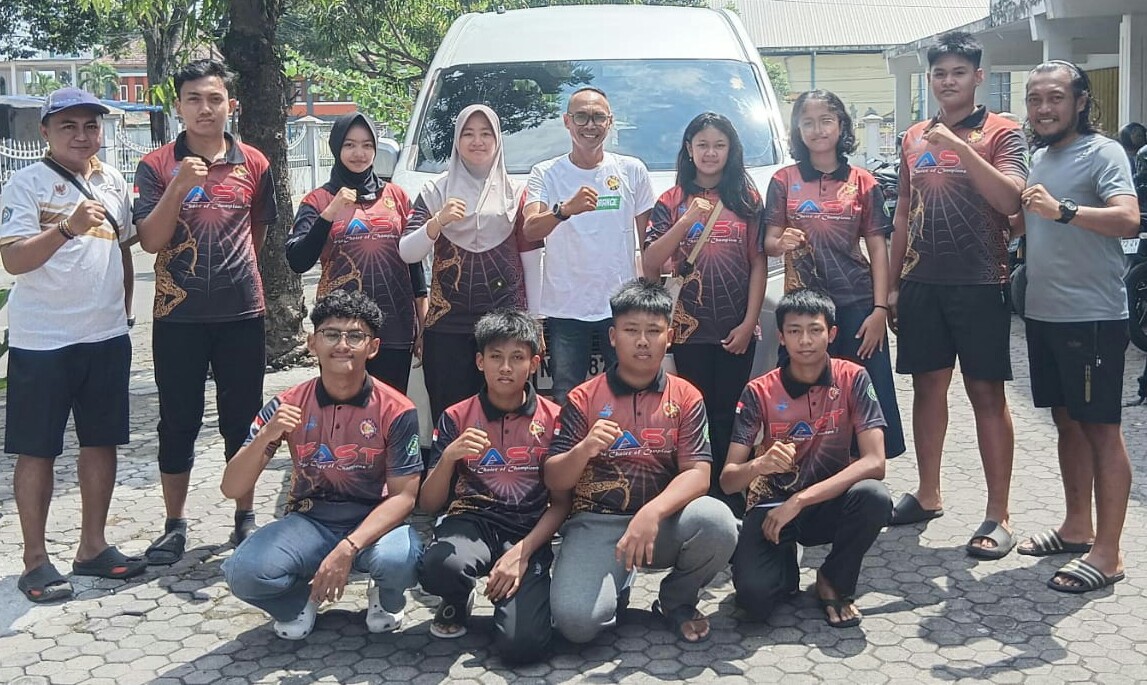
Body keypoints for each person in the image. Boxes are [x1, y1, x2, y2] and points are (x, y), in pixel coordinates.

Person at [886, 32, 1028, 562]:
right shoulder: (912, 136)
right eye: (940, 73)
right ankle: (928, 493)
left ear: (978, 77)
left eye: (959, 72)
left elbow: (1010, 200)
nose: (949, 81)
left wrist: (961, 147)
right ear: (930, 79)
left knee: (986, 394)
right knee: (927, 389)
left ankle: (999, 514)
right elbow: (902, 212)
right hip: (923, 283)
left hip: (982, 282)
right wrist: (893, 285)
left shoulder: (1003, 132)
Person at [1, 88, 145, 602]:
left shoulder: (112, 181)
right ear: (45, 132)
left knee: (101, 441)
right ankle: (35, 561)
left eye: (90, 125)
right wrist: (66, 227)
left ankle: (93, 547)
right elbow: (13, 260)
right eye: (68, 126)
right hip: (43, 340)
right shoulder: (25, 183)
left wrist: (124, 312)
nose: (82, 136)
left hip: (105, 335)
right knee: (37, 448)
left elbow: (123, 251)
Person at [134, 59, 278, 563]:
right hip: (178, 317)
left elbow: (257, 233)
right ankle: (174, 523)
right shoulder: (156, 166)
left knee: (243, 421)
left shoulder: (254, 162)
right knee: (178, 421)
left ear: (229, 105)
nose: (205, 108)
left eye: (214, 99)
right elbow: (151, 240)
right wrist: (179, 186)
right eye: (193, 99)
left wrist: (236, 278)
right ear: (178, 106)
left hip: (242, 314)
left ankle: (245, 516)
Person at [220, 290, 423, 639]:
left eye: (355, 336)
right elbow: (231, 487)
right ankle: (301, 600)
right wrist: (267, 434)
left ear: (373, 347)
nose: (342, 345)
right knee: (243, 572)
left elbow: (404, 497)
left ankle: (385, 597)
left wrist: (348, 548)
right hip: (309, 520)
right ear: (312, 343)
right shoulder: (286, 405)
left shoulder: (397, 409)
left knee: (400, 560)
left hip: (374, 522)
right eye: (331, 334)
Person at [545, 279, 738, 645]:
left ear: (670, 337)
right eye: (631, 330)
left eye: (653, 331)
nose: (643, 341)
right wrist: (584, 449)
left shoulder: (687, 396)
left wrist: (651, 513)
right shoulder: (583, 398)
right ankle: (616, 581)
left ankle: (676, 601)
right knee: (576, 624)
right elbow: (555, 480)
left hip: (662, 523)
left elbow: (699, 474)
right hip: (597, 523)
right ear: (613, 336)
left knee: (717, 522)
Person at [1014, 61, 1138, 593]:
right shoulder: (1040, 158)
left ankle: (1108, 554)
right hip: (1044, 314)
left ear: (1081, 101)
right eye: (1035, 99)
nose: (1044, 108)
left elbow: (1128, 218)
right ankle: (1076, 527)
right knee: (1066, 422)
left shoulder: (1104, 153)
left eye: (1055, 97)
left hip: (1093, 318)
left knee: (1101, 429)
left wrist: (1063, 210)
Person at [722, 289, 890, 627]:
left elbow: (876, 462)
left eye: (815, 330)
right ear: (781, 337)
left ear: (832, 334)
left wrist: (799, 500)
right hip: (772, 508)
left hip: (827, 501)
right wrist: (759, 464)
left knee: (874, 496)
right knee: (754, 602)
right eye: (794, 331)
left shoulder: (854, 377)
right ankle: (783, 564)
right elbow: (728, 480)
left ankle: (833, 581)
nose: (805, 341)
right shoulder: (758, 391)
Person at [417, 310, 569, 663]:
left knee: (523, 647)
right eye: (496, 357)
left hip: (528, 530)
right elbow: (428, 503)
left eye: (517, 358)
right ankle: (457, 597)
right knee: (438, 566)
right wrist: (449, 458)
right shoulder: (456, 416)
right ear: (479, 362)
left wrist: (521, 553)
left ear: (534, 364)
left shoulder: (554, 418)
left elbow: (561, 504)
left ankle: (522, 595)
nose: (505, 368)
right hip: (471, 522)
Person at [763, 89, 906, 463]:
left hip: (856, 305)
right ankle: (801, 468)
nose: (817, 129)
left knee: (861, 391)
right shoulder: (783, 180)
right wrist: (780, 242)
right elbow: (769, 241)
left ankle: (862, 472)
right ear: (797, 129)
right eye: (808, 122)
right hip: (803, 308)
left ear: (841, 125)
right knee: (802, 395)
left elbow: (877, 248)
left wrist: (879, 309)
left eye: (826, 120)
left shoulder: (863, 181)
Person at [641, 112, 766, 517]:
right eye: (703, 145)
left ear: (731, 150)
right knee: (694, 414)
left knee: (730, 412)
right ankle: (695, 493)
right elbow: (651, 262)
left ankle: (729, 495)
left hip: (735, 328)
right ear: (689, 149)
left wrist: (749, 323)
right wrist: (687, 220)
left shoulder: (747, 199)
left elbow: (758, 263)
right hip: (686, 330)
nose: (711, 153)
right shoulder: (670, 200)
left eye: (719, 145)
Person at [399, 104, 540, 422]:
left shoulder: (517, 192)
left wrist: (536, 322)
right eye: (468, 134)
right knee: (449, 416)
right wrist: (438, 221)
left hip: (506, 323)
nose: (477, 141)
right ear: (456, 140)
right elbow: (407, 252)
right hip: (447, 324)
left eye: (486, 134)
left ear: (498, 140)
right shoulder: (435, 190)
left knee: (506, 416)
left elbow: (531, 260)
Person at [522, 88, 655, 406]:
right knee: (567, 397)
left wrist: (652, 302)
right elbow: (530, 229)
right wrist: (564, 210)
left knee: (628, 394)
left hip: (620, 306)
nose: (590, 125)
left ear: (610, 122)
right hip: (566, 308)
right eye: (581, 117)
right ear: (567, 121)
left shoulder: (632, 170)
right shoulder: (546, 172)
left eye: (598, 117)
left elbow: (649, 243)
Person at [288, 111, 427, 393]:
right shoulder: (318, 200)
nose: (359, 153)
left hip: (395, 325)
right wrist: (330, 213)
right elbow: (298, 260)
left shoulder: (397, 196)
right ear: (336, 148)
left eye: (367, 145)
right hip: (339, 330)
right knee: (342, 404)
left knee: (389, 405)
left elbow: (414, 263)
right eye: (349, 145)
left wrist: (423, 323)